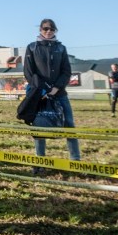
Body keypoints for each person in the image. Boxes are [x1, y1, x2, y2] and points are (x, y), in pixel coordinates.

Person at [22, 18, 81, 161]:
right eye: (45, 29)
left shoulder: (61, 48)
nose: (48, 31)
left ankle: (75, 160)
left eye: (51, 29)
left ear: (55, 30)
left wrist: (56, 88)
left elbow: (66, 72)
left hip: (59, 94)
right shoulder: (31, 47)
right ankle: (40, 160)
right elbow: (29, 73)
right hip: (39, 95)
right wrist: (42, 90)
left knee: (69, 126)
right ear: (40, 30)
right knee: (39, 127)